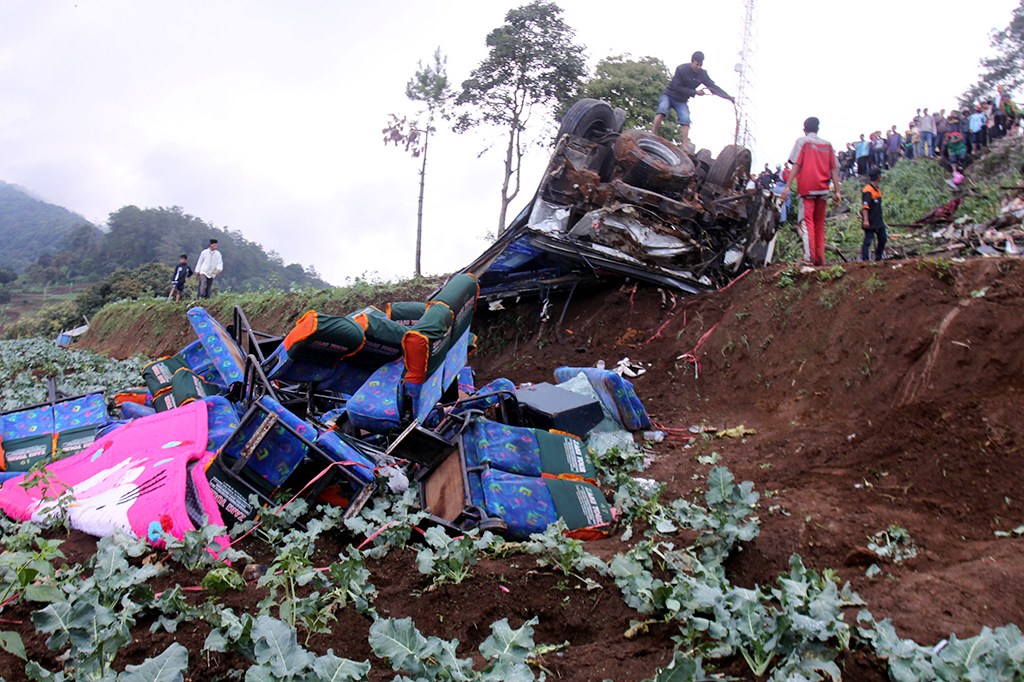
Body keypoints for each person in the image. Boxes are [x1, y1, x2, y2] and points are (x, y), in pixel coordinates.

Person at [780, 117, 842, 266]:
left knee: (807, 223)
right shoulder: (827, 145)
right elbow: (834, 169)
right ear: (818, 129)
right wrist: (837, 191)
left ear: (804, 129)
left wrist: (787, 186)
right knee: (819, 224)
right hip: (823, 190)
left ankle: (808, 258)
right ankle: (819, 258)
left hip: (807, 188)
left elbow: (796, 164)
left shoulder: (802, 142)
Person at [651, 51, 734, 149]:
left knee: (685, 120)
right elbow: (677, 87)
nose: (698, 67)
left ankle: (685, 146)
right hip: (669, 95)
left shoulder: (702, 74)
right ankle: (652, 134)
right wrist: (694, 92)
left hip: (681, 100)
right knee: (662, 110)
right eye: (696, 64)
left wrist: (728, 97)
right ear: (692, 62)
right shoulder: (681, 69)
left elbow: (713, 87)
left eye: (700, 65)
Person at [861, 167, 887, 261]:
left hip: (878, 220)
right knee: (868, 241)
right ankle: (865, 260)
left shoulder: (877, 190)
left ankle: (878, 257)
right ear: (878, 177)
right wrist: (866, 220)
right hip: (870, 220)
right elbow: (865, 206)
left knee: (883, 239)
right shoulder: (868, 190)